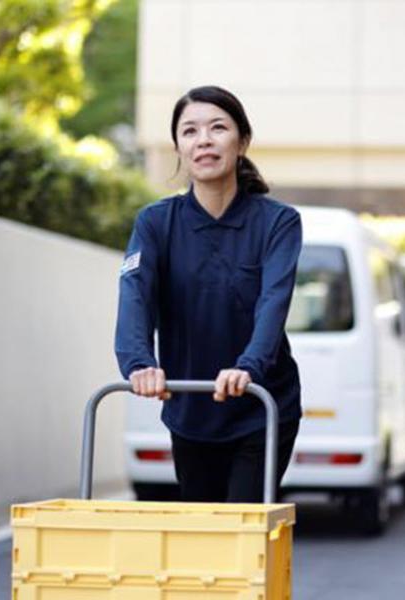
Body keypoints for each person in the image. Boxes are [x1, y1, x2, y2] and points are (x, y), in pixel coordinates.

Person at [114, 85, 302, 503]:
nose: (204, 140)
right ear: (179, 147)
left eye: (218, 128)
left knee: (241, 532)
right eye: (190, 131)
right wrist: (139, 363)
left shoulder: (278, 222)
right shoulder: (156, 223)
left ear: (242, 142)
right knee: (203, 537)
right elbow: (135, 294)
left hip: (260, 405)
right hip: (191, 408)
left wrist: (248, 367)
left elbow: (274, 301)